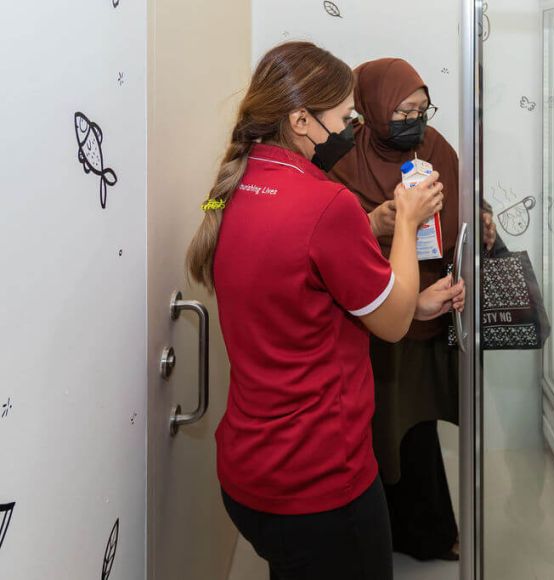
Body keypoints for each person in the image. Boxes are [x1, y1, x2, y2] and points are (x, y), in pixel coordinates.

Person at [185, 42, 465, 580]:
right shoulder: (326, 203)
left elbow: (295, 272)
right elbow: (393, 320)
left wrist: (378, 235)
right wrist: (405, 223)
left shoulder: (237, 183)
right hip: (318, 481)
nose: (351, 126)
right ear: (301, 120)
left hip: (248, 471)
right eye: (344, 116)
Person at [330, 58, 495, 562]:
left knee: (416, 427)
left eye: (422, 109)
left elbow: (464, 201)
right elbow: (323, 232)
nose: (415, 120)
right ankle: (379, 537)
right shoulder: (341, 154)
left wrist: (483, 221)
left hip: (432, 307)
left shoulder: (435, 146)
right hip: (372, 317)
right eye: (403, 110)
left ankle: (426, 534)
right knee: (382, 430)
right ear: (373, 107)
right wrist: (376, 223)